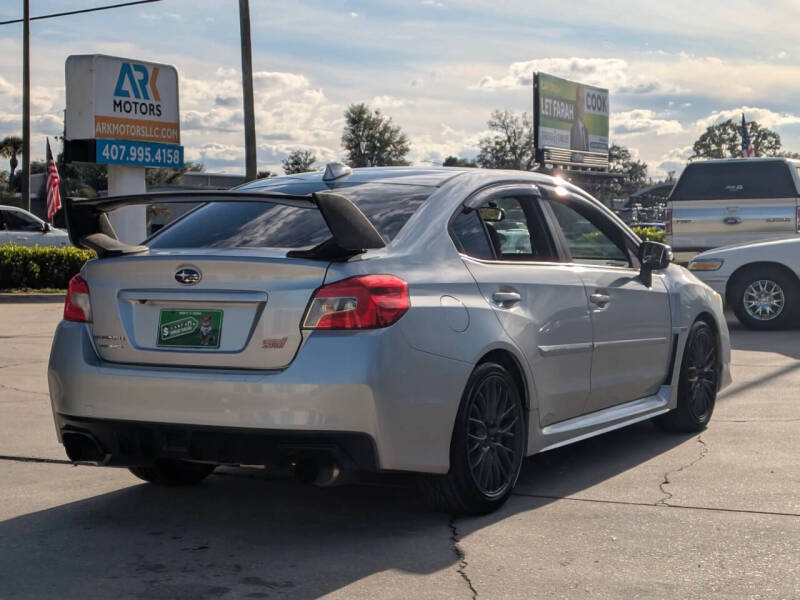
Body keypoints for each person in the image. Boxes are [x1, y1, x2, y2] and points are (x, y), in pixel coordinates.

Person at [570, 85, 590, 152]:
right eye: (580, 100)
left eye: (583, 101)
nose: (582, 104)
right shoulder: (573, 128)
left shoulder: (585, 130)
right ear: (576, 102)